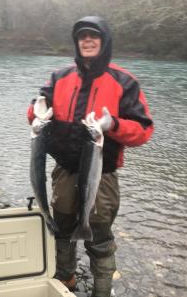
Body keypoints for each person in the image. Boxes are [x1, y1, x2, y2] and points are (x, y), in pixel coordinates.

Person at [27, 16, 154, 297]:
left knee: (98, 236)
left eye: (93, 35)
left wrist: (114, 125)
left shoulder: (124, 81)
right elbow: (37, 108)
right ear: (76, 42)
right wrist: (35, 112)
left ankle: (102, 290)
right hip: (64, 171)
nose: (87, 40)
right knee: (61, 228)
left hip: (102, 175)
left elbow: (144, 131)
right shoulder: (59, 77)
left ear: (104, 41)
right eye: (82, 36)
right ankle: (65, 279)